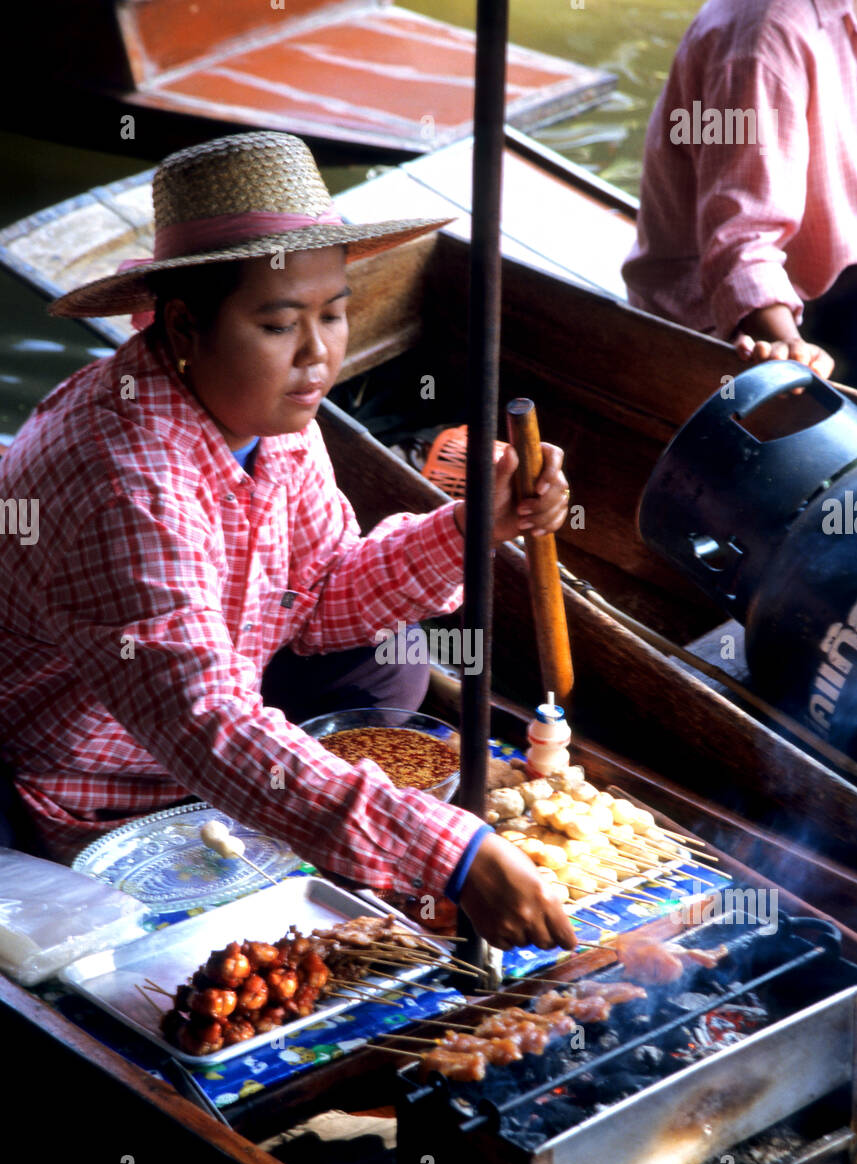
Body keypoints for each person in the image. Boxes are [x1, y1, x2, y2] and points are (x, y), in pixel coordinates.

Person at [0, 131, 574, 953]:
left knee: (393, 649)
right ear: (187, 327)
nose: (317, 357)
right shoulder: (123, 478)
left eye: (334, 314)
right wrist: (452, 855)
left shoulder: (270, 413)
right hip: (91, 766)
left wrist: (474, 526)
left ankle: (312, 804)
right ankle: (301, 815)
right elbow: (205, 722)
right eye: (279, 325)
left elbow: (325, 591)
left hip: (213, 693)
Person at [622, 0, 857, 382]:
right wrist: (789, 348)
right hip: (740, 321)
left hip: (833, 286)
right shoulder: (764, 35)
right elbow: (740, 240)